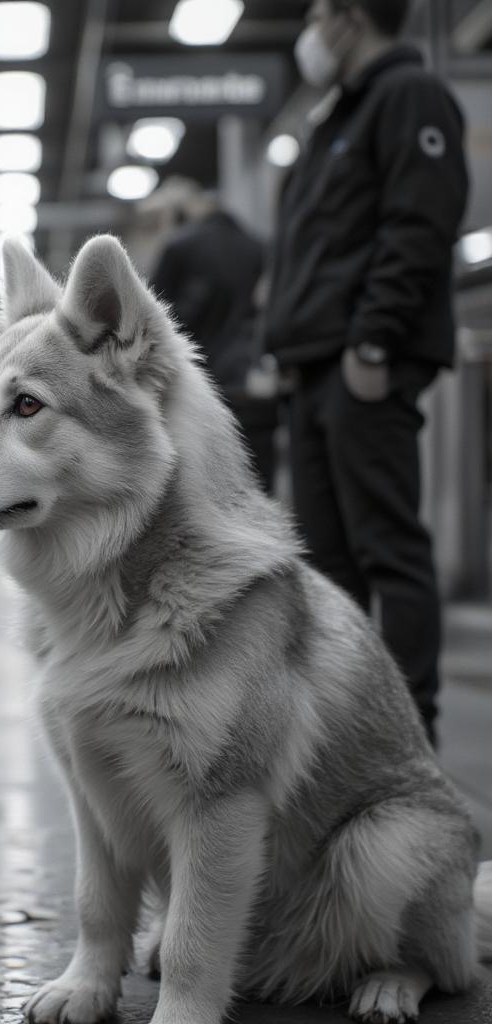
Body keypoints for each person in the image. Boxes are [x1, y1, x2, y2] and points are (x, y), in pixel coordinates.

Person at [262, 0, 469, 743]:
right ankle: (346, 733)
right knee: (327, 568)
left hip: (360, 364)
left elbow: (419, 226)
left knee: (389, 549)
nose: (310, 30)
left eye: (318, 12)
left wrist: (374, 345)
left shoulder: (410, 98)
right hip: (314, 367)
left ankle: (411, 735)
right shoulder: (332, 121)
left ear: (351, 16)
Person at [151, 179, 278, 490]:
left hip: (199, 397)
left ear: (177, 213)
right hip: (255, 391)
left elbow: (156, 328)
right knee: (259, 496)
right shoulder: (259, 247)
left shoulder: (180, 247)